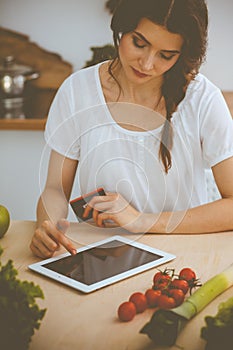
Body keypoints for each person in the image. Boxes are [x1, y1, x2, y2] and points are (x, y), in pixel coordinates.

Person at [30, 0, 233, 258]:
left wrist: (141, 221)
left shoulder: (202, 99)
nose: (147, 64)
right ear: (122, 28)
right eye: (139, 43)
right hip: (100, 256)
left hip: (184, 255)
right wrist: (46, 227)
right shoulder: (77, 91)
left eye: (166, 55)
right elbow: (55, 190)